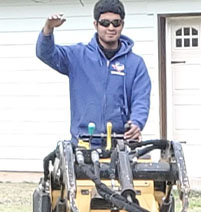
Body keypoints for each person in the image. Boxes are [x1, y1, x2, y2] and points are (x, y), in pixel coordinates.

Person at [36, 0, 151, 144]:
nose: (111, 28)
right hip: (83, 143)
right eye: (105, 23)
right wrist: (48, 29)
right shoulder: (77, 56)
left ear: (122, 25)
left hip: (121, 144)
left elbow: (141, 99)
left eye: (116, 23)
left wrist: (136, 123)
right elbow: (45, 53)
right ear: (95, 24)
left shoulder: (136, 64)